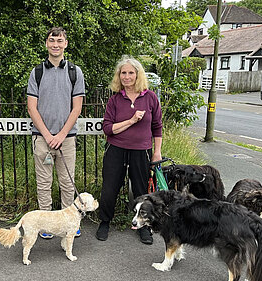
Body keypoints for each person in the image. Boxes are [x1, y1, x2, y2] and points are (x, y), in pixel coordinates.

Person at [95, 55, 163, 244]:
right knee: (109, 189)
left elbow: (157, 126)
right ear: (119, 76)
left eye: (130, 73)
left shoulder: (150, 97)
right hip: (116, 150)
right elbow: (108, 128)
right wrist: (131, 121)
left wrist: (156, 152)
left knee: (142, 190)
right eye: (123, 73)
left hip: (141, 151)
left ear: (137, 75)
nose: (126, 76)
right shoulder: (115, 100)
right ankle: (105, 222)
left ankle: (144, 226)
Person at [26, 27, 85, 239]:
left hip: (67, 138)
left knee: (67, 184)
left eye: (60, 41)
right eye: (52, 40)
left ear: (66, 44)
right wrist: (48, 136)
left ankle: (69, 224)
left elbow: (77, 108)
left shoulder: (74, 72)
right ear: (46, 44)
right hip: (42, 138)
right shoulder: (37, 72)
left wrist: (60, 135)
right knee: (43, 184)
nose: (56, 44)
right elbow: (32, 107)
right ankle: (47, 224)